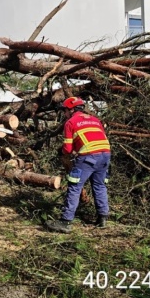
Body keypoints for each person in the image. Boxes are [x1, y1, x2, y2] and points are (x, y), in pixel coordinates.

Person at [46, 97, 111, 233]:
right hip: (106, 155)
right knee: (99, 185)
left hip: (89, 157)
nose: (64, 114)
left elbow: (68, 149)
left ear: (71, 109)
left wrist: (63, 153)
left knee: (75, 187)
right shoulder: (95, 119)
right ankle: (103, 218)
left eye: (65, 111)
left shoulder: (70, 122)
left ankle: (66, 221)